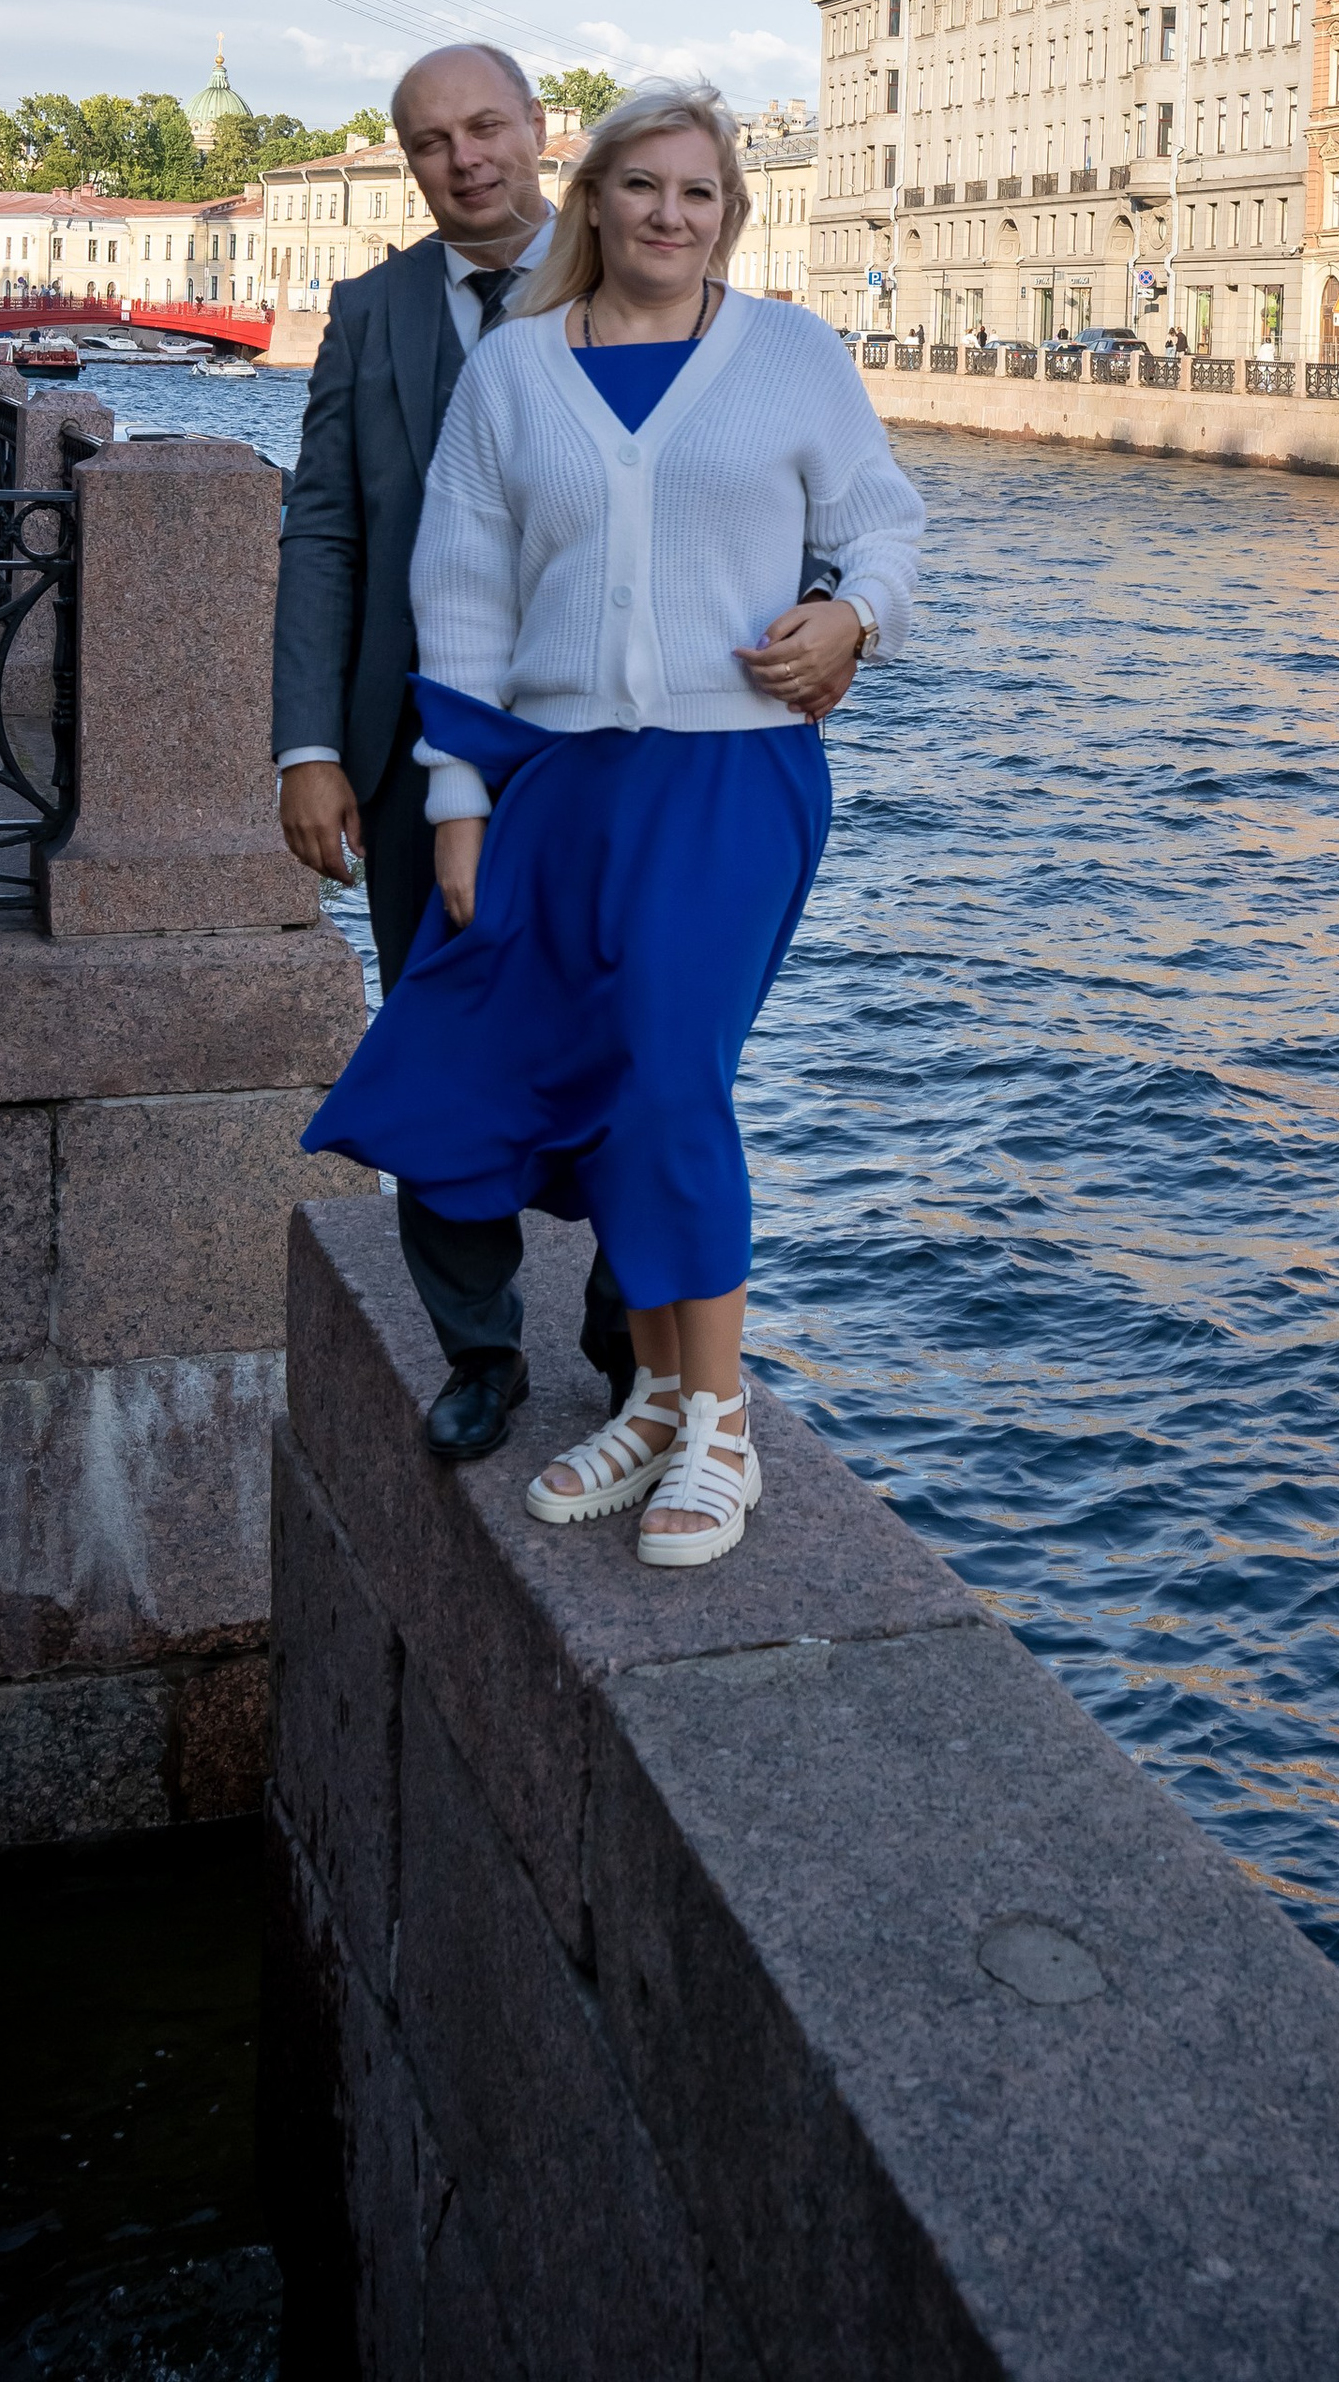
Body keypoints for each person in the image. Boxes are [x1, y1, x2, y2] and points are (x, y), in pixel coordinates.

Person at [301, 81, 924, 1569]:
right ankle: (651, 1395)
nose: (669, 216)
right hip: (557, 784)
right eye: (642, 187)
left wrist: (852, 617)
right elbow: (459, 600)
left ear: (731, 214)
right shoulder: (518, 373)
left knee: (664, 1078)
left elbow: (885, 519)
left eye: (699, 195)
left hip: (732, 778)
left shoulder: (789, 355)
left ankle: (720, 1423)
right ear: (593, 200)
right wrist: (457, 797)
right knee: (576, 1079)